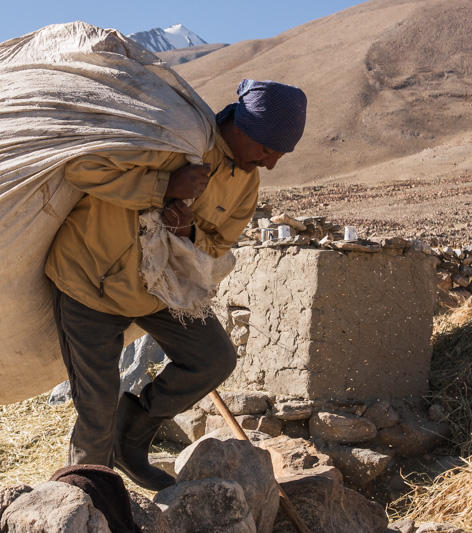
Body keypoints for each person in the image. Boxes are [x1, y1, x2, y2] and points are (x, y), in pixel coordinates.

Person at [45, 79, 307, 491]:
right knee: (97, 406)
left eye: (279, 155)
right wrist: (163, 187)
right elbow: (82, 169)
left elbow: (217, 245)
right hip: (89, 281)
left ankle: (130, 437)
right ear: (242, 126)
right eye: (267, 149)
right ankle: (86, 497)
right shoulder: (175, 138)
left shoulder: (246, 182)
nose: (271, 164)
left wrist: (187, 233)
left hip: (159, 289)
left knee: (213, 358)